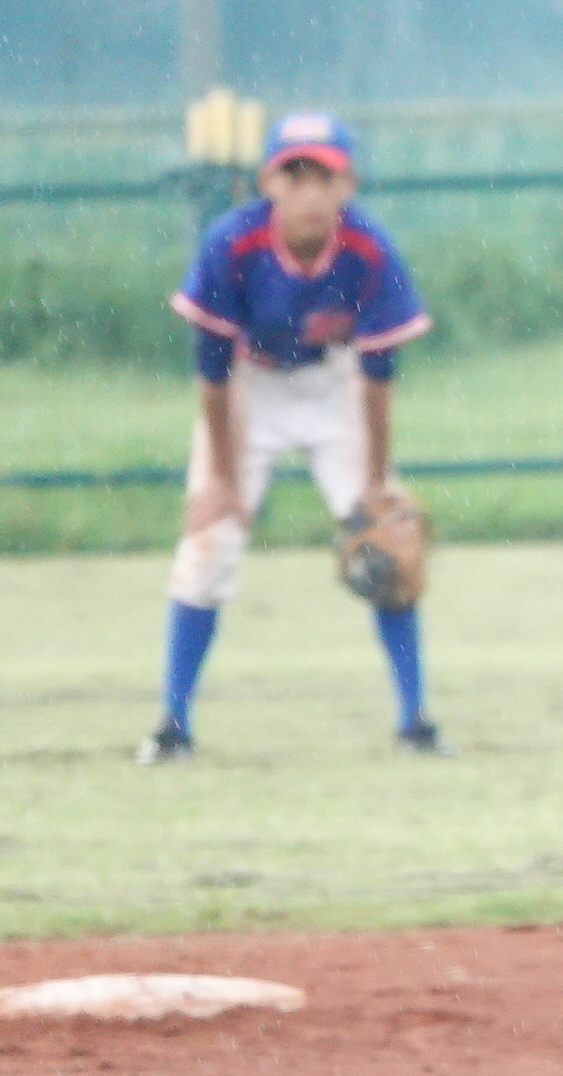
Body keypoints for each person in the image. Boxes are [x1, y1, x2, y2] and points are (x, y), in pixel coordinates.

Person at [145, 110, 440, 760]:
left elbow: (378, 377)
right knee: (207, 549)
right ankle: (173, 727)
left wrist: (373, 485)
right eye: (293, 175)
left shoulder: (369, 249)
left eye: (323, 177)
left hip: (335, 386)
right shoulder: (233, 243)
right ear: (268, 183)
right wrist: (222, 481)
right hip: (247, 388)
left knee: (387, 547)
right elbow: (212, 372)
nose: (309, 192)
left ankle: (416, 723)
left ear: (348, 185)